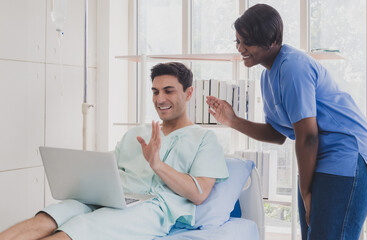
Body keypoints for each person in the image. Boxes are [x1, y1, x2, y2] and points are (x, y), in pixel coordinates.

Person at [206, 3, 367, 240]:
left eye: (246, 41)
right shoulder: (266, 75)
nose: (240, 48)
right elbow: (277, 134)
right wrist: (232, 120)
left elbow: (308, 137)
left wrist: (305, 190)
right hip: (323, 158)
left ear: (270, 40)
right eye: (237, 41)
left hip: (351, 156)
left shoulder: (293, 67)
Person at [0, 62, 229, 240]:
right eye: (155, 91)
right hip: (113, 197)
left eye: (168, 91)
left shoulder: (205, 139)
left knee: (78, 228)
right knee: (49, 217)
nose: (160, 99)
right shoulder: (137, 133)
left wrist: (157, 164)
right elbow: (107, 173)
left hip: (152, 208)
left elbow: (199, 194)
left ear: (188, 94)